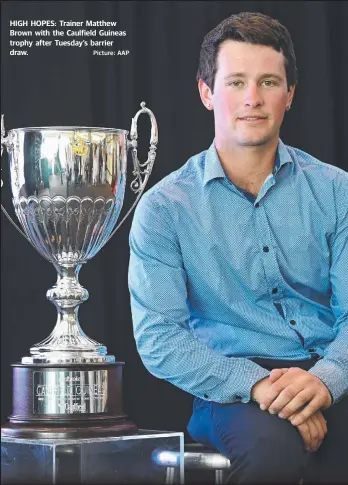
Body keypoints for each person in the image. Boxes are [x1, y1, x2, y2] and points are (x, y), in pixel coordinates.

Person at [128, 11, 348, 485]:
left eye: (269, 82)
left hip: (333, 369)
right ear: (207, 93)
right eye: (235, 82)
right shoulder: (165, 208)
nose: (252, 98)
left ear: (289, 95)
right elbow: (159, 339)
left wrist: (326, 381)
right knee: (274, 454)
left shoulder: (337, 192)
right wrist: (258, 385)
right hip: (228, 388)